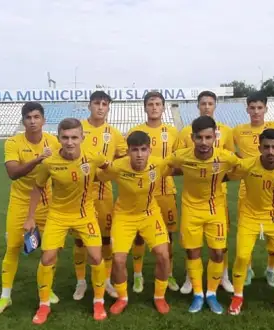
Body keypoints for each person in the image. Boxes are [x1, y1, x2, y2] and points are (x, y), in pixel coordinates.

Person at [24, 118, 110, 324]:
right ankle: (43, 305)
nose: (70, 142)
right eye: (65, 137)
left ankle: (99, 301)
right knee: (47, 258)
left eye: (74, 137)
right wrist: (30, 217)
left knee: (96, 257)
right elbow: (37, 187)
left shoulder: (94, 158)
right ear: (58, 138)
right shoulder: (49, 163)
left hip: (85, 214)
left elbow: (109, 168)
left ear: (82, 137)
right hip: (58, 215)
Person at [0, 102, 60, 317]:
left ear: (43, 120)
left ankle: (47, 290)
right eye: (28, 117)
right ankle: (5, 296)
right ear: (23, 121)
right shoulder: (13, 142)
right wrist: (38, 159)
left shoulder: (54, 141)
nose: (32, 121)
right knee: (13, 248)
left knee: (50, 250)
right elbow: (13, 173)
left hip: (47, 204)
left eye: (37, 117)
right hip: (20, 202)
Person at [166, 116, 241, 314]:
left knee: (217, 252)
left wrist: (226, 176)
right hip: (191, 211)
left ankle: (212, 294)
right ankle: (198, 294)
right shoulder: (181, 156)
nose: (204, 142)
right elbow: (163, 166)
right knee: (193, 252)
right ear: (192, 137)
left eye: (209, 137)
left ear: (215, 137)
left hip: (215, 210)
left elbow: (242, 167)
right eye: (199, 138)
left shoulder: (225, 157)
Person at [97, 131, 172, 315]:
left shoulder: (159, 164)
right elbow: (97, 176)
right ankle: (122, 298)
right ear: (128, 151)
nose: (139, 154)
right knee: (119, 259)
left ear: (149, 150)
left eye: (143, 149)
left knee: (163, 255)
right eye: (135, 150)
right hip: (124, 216)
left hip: (150, 214)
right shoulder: (117, 166)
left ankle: (159, 297)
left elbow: (181, 166)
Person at [227, 129, 274, 315]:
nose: (270, 151)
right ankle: (237, 296)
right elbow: (225, 176)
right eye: (266, 147)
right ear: (259, 147)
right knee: (242, 256)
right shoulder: (247, 165)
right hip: (249, 217)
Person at [178, 90, 235, 294]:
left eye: (210, 103)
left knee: (220, 239)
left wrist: (218, 176)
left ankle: (224, 276)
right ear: (198, 105)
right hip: (193, 192)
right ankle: (189, 278)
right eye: (203, 103)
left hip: (219, 193)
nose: (207, 107)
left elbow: (231, 160)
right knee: (191, 242)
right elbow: (180, 162)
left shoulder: (227, 131)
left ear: (215, 105)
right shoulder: (185, 132)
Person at [72, 91, 127, 301]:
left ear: (109, 107)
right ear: (89, 105)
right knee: (79, 242)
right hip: (79, 194)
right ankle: (81, 282)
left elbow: (123, 158)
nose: (100, 107)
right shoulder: (78, 128)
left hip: (104, 194)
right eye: (97, 103)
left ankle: (105, 280)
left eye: (105, 104)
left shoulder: (113, 133)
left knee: (105, 240)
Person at [126, 91, 180, 293]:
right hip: (140, 192)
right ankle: (138, 275)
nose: (154, 107)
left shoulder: (173, 131)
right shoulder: (136, 131)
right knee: (139, 235)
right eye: (150, 104)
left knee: (169, 236)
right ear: (145, 107)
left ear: (164, 107)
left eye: (158, 104)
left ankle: (169, 273)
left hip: (166, 191)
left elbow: (177, 160)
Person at [232, 92, 274, 287]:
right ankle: (247, 269)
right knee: (247, 237)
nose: (256, 112)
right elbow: (233, 153)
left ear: (265, 108)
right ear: (247, 109)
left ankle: (270, 270)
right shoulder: (238, 131)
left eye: (259, 107)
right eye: (252, 108)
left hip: (271, 190)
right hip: (246, 190)